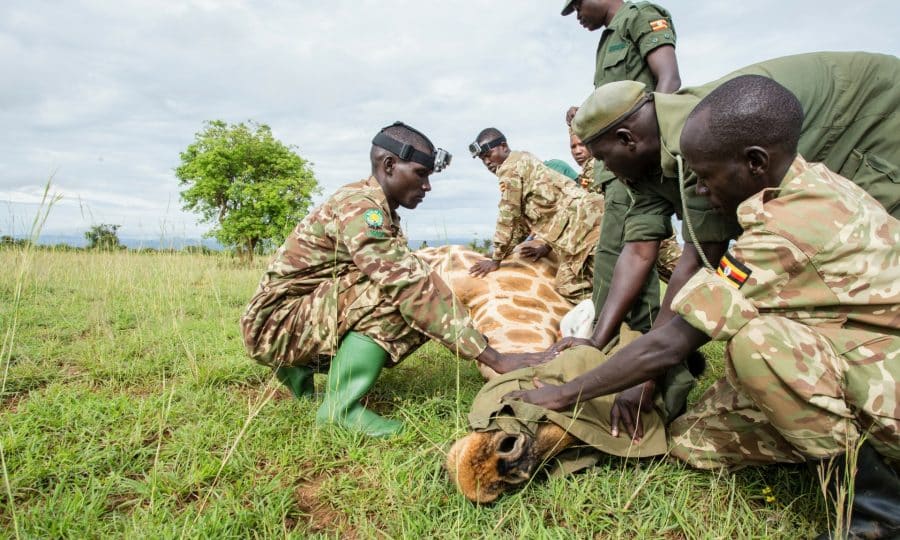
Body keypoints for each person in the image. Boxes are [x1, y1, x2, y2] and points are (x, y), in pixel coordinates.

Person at [509, 76, 900, 538]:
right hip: (857, 351)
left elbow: (674, 341)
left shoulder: (783, 232)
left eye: (706, 175)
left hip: (885, 378)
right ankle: (826, 437)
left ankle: (877, 509)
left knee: (757, 345)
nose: (696, 192)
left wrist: (561, 394)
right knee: (691, 442)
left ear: (754, 162)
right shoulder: (808, 184)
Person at [562, 51, 900, 426]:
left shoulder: (697, 143)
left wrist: (642, 375)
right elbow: (639, 249)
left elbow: (694, 271)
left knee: (866, 271)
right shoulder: (644, 161)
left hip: (878, 115)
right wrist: (595, 339)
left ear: (626, 139)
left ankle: (865, 405)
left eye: (601, 158)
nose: (602, 169)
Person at [240, 122, 544, 438]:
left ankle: (301, 377)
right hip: (273, 327)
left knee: (417, 284)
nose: (427, 186)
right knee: (403, 293)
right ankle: (340, 410)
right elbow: (407, 286)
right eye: (420, 174)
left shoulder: (373, 205)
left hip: (285, 320)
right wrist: (495, 357)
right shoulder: (362, 208)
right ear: (389, 165)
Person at [562, 0, 683, 348]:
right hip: (620, 166)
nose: (579, 16)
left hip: (636, 163)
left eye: (579, 5)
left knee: (615, 257)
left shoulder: (641, 15)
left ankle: (621, 347)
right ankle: (629, 346)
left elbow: (669, 80)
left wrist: (654, 155)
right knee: (625, 259)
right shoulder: (608, 39)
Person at [467, 128, 604, 302]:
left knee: (605, 282)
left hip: (587, 229)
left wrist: (496, 259)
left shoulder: (510, 169)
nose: (487, 162)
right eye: (482, 159)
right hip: (580, 228)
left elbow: (508, 216)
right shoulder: (523, 159)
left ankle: (621, 319)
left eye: (488, 154)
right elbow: (524, 222)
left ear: (503, 146)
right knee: (567, 285)